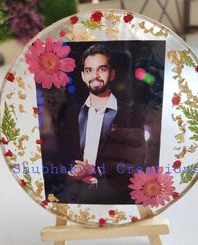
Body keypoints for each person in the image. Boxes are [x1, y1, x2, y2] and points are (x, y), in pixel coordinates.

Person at [57, 44, 160, 204]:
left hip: (123, 195)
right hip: (77, 198)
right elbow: (64, 159)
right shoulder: (72, 115)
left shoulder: (133, 114)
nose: (95, 75)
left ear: (111, 74)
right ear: (83, 76)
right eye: (89, 70)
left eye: (102, 69)